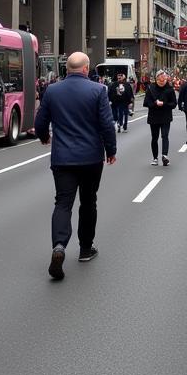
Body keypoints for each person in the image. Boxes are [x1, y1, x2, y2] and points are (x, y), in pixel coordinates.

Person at [34, 51, 116, 281]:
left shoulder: (52, 90)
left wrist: (43, 137)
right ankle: (85, 249)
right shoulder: (98, 90)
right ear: (86, 68)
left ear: (67, 69)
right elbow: (107, 124)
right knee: (88, 201)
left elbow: (40, 122)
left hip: (63, 158)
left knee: (63, 203)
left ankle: (59, 246)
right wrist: (111, 150)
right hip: (90, 157)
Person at [143, 71, 177, 165]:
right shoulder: (151, 88)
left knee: (165, 136)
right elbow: (146, 103)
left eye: (164, 80)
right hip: (154, 116)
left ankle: (164, 156)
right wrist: (155, 103)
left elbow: (174, 103)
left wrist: (164, 104)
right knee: (154, 137)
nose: (162, 83)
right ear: (156, 79)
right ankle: (155, 158)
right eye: (160, 81)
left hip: (166, 116)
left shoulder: (169, 89)